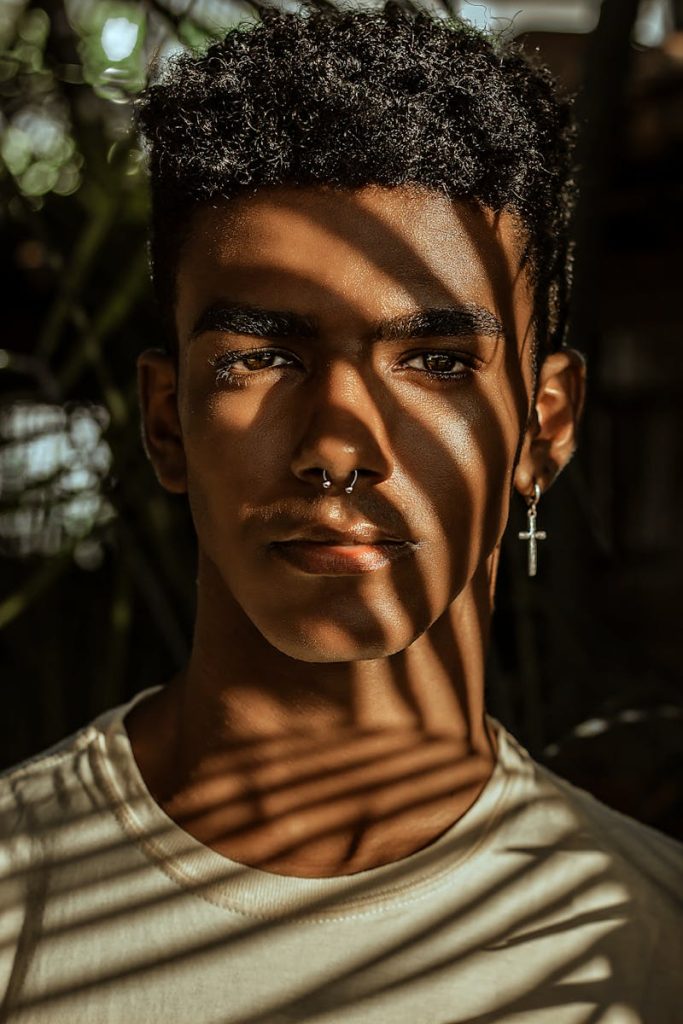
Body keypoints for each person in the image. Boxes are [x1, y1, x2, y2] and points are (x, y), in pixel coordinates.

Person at [1, 6, 681, 1022]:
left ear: (543, 427)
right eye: (261, 357)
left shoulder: (645, 945)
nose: (336, 444)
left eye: (437, 362)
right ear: (166, 420)